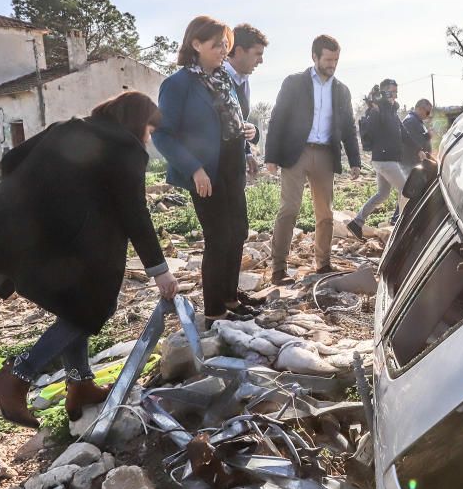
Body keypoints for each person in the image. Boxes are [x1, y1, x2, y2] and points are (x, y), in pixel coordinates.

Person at [0, 92, 178, 428]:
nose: (149, 138)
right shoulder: (125, 146)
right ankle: (16, 377)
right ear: (137, 123)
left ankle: (80, 384)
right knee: (95, 306)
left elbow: (11, 160)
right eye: (149, 129)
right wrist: (159, 271)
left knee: (76, 305)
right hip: (69, 240)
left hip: (30, 231)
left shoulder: (67, 127)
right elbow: (134, 211)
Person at [153, 16, 260, 323]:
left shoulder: (225, 79)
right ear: (196, 44)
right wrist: (194, 169)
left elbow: (232, 123)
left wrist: (248, 138)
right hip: (205, 172)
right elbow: (162, 134)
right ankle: (214, 310)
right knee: (218, 236)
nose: (223, 49)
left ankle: (231, 298)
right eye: (217, 45)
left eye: (226, 44)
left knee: (237, 232)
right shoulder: (178, 84)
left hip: (231, 167)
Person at [265, 35, 361, 285]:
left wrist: (354, 160)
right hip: (295, 152)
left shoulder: (342, 90)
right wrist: (271, 157)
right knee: (289, 209)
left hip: (325, 154)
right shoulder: (294, 83)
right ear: (315, 57)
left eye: (336, 60)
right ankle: (278, 268)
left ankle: (323, 263)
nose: (333, 64)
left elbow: (349, 126)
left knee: (325, 213)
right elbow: (277, 119)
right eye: (328, 59)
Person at [348, 79, 410, 239]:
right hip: (385, 159)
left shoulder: (391, 110)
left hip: (385, 160)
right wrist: (374, 109)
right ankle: (404, 226)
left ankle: (357, 222)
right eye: (391, 92)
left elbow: (403, 133)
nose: (394, 96)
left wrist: (420, 150)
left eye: (396, 92)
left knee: (382, 194)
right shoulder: (376, 111)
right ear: (383, 93)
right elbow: (371, 132)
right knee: (407, 191)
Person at [223, 23, 269, 176]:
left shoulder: (244, 80)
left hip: (235, 166)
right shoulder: (215, 78)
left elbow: (239, 121)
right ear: (239, 51)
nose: (261, 60)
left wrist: (248, 153)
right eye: (257, 54)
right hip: (215, 169)